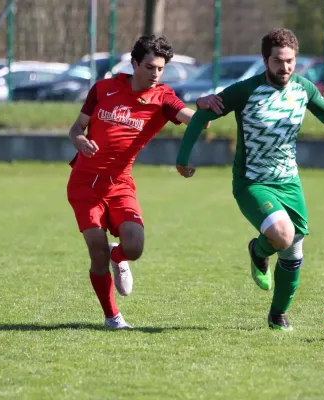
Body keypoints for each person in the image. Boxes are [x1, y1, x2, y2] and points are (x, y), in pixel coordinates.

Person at [175, 28, 324, 331]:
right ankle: (258, 250)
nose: (285, 67)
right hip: (251, 182)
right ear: (266, 61)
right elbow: (203, 114)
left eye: (290, 61)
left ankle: (277, 315)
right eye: (278, 61)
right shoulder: (246, 90)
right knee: (282, 234)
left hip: (289, 182)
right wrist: (182, 158)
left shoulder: (304, 88)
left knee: (293, 251)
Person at [67, 35, 219, 329]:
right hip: (84, 183)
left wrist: (203, 108)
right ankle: (113, 317)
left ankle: (118, 254)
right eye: (150, 67)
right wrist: (80, 140)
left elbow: (197, 120)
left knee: (135, 247)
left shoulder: (162, 97)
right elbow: (75, 129)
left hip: (120, 183)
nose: (155, 74)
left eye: (161, 69)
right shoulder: (103, 88)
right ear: (134, 62)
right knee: (96, 250)